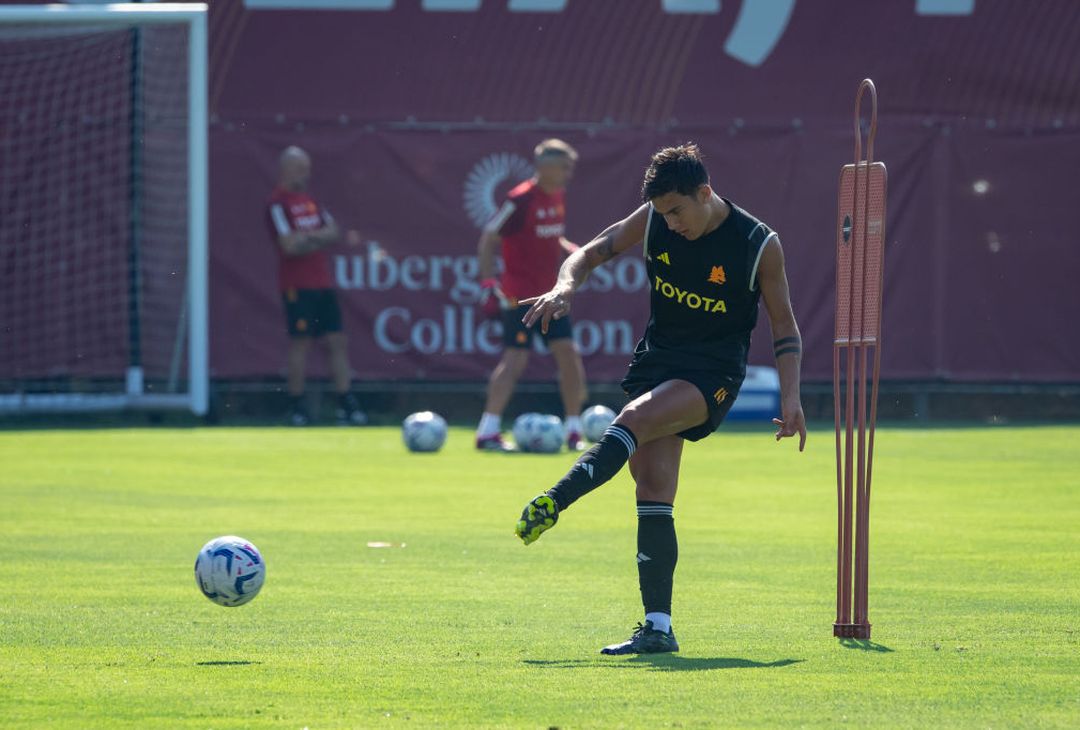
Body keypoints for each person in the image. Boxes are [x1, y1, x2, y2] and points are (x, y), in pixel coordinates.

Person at [514, 143, 807, 654]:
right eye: (662, 212)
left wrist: (793, 397)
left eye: (677, 210)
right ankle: (658, 628)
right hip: (657, 362)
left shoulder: (759, 243)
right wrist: (565, 287)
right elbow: (589, 252)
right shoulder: (652, 218)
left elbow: (784, 326)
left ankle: (555, 501)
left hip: (712, 375)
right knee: (652, 490)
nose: (669, 222)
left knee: (633, 417)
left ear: (705, 192)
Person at [474, 139, 589, 452]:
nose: (568, 173)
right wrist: (487, 283)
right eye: (564, 167)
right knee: (515, 360)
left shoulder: (559, 196)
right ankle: (487, 431)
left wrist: (571, 250)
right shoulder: (520, 199)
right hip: (519, 297)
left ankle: (574, 431)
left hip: (551, 295)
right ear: (545, 167)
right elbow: (488, 239)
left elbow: (552, 236)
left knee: (568, 355)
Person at [267, 145, 366, 426]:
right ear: (287, 169)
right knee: (301, 343)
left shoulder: (310, 201)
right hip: (297, 286)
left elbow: (333, 232)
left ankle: (345, 403)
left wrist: (307, 238)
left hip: (322, 282)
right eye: (301, 169)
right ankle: (296, 406)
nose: (306, 174)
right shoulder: (278, 203)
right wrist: (316, 237)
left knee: (337, 341)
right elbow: (289, 245)